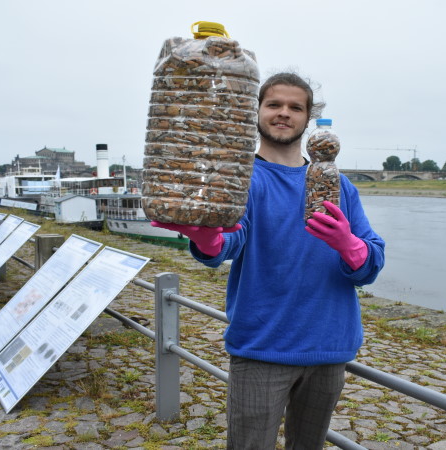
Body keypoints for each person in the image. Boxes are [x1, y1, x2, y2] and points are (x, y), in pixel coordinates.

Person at [152, 72, 385, 449]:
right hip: (262, 347)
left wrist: (350, 245)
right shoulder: (240, 180)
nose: (283, 113)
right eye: (274, 104)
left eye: (296, 107)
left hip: (329, 347)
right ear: (256, 111)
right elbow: (229, 242)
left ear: (308, 119)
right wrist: (207, 236)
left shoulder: (339, 185)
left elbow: (372, 263)